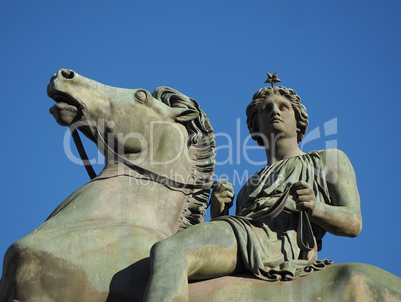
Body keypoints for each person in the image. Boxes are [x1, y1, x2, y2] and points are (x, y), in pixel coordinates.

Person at [143, 78, 362, 301]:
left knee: (170, 251)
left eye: (283, 107)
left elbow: (354, 223)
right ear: (255, 128)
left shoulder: (328, 160)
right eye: (266, 109)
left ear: (298, 121)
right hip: (249, 238)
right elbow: (234, 241)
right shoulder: (249, 185)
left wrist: (317, 208)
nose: (275, 112)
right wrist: (219, 213)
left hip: (285, 246)